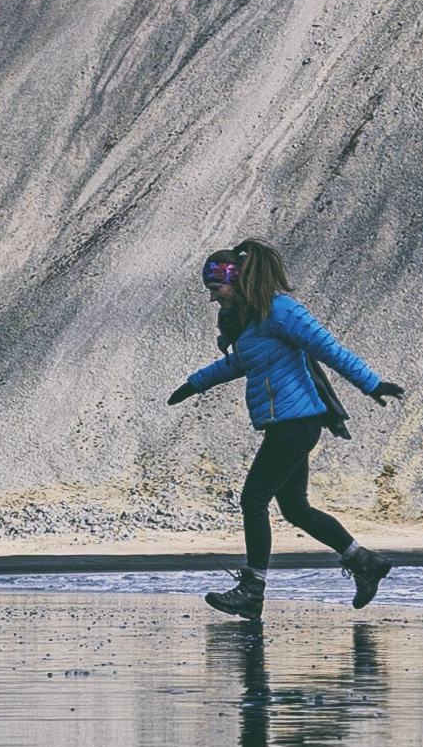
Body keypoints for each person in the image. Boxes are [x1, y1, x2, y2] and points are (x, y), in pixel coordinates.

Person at [166, 238, 400, 615]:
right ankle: (364, 562)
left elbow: (329, 348)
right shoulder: (250, 320)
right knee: (294, 509)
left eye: (216, 289)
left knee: (253, 499)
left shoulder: (280, 311)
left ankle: (253, 588)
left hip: (298, 422)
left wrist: (371, 384)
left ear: (236, 281)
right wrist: (194, 383)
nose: (213, 298)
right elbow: (242, 363)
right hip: (284, 424)